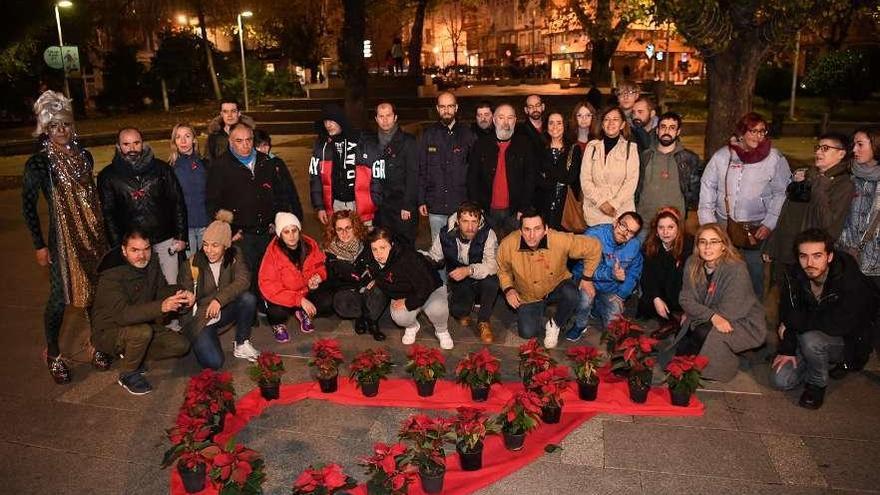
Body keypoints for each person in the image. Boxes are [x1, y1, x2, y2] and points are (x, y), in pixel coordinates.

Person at [22, 90, 110, 383]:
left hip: (93, 236)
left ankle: (96, 343)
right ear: (44, 129)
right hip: (62, 240)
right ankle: (54, 353)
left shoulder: (84, 156)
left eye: (66, 125)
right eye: (54, 126)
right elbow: (28, 207)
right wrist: (39, 245)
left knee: (94, 295)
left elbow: (91, 197)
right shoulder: (38, 163)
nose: (61, 131)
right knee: (60, 299)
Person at [771, 229, 875, 409]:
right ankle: (815, 361)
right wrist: (787, 349)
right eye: (804, 256)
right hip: (807, 337)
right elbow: (787, 313)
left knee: (811, 340)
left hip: (845, 342)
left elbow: (839, 324)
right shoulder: (794, 276)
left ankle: (816, 385)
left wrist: (793, 325)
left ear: (829, 256)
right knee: (781, 380)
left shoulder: (849, 278)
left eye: (817, 256)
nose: (809, 263)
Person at [698, 112, 791, 298]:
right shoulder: (723, 156)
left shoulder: (774, 158)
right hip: (724, 224)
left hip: (755, 227)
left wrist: (769, 223)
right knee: (721, 270)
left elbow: (781, 192)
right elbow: (708, 187)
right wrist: (709, 224)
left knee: (754, 273)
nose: (758, 136)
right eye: (753, 131)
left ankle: (754, 312)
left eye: (762, 131)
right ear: (741, 133)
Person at [90, 230, 192, 395]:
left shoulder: (151, 264)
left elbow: (160, 291)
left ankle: (135, 354)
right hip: (109, 331)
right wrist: (161, 307)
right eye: (135, 250)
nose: (142, 255)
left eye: (146, 249)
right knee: (142, 333)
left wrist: (181, 293)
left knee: (181, 345)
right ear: (124, 250)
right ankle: (128, 374)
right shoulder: (110, 275)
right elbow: (123, 315)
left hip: (141, 322)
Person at [207, 123, 297, 305]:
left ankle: (269, 305)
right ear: (230, 142)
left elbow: (280, 194)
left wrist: (277, 221)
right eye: (239, 141)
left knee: (269, 272)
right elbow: (213, 203)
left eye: (249, 140)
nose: (245, 145)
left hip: (267, 230)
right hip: (241, 234)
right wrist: (230, 230)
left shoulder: (267, 162)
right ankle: (250, 311)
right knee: (245, 276)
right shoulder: (220, 166)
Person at [497, 209, 602, 348]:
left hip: (556, 286)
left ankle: (555, 324)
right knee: (527, 333)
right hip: (528, 295)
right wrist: (508, 289)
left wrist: (587, 277)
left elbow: (593, 246)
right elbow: (502, 269)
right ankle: (536, 311)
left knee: (573, 295)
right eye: (527, 230)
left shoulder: (559, 239)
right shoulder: (508, 244)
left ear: (546, 229)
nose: (532, 235)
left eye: (537, 229)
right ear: (521, 231)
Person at [676, 224, 767, 382]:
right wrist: (710, 316)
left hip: (741, 319)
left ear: (724, 245)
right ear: (697, 245)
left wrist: (697, 315)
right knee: (681, 345)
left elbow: (732, 309)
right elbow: (685, 298)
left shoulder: (736, 268)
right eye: (702, 242)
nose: (707, 247)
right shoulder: (692, 262)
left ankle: (730, 361)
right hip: (713, 315)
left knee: (702, 332)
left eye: (714, 242)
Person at [98, 127, 188, 285]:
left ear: (143, 143)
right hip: (133, 244)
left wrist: (181, 236)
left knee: (171, 285)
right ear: (118, 146)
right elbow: (108, 214)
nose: (132, 148)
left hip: (165, 239)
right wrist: (118, 246)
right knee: (140, 288)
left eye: (136, 143)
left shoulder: (162, 169)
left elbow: (177, 203)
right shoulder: (108, 176)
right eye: (126, 144)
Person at [178, 210, 260, 369]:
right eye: (206, 244)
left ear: (226, 245)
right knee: (214, 363)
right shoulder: (190, 266)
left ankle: (242, 343)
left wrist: (218, 300)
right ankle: (205, 339)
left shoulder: (235, 254)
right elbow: (183, 310)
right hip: (202, 319)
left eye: (215, 245)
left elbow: (243, 280)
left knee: (248, 299)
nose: (209, 250)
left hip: (223, 309)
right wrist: (185, 302)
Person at [765, 133, 854, 267]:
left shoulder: (843, 185)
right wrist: (772, 244)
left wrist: (820, 188)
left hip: (810, 259)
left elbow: (828, 224)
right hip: (785, 252)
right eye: (818, 147)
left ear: (841, 154)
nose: (818, 152)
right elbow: (788, 214)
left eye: (825, 148)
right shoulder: (810, 176)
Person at [366, 227, 454, 349]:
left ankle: (441, 330)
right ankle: (412, 326)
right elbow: (384, 277)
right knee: (399, 316)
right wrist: (375, 280)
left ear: (391, 245)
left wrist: (409, 302)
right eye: (374, 249)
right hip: (406, 292)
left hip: (431, 288)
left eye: (383, 248)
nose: (378, 253)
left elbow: (425, 285)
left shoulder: (408, 258)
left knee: (438, 310)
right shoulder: (373, 263)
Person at [424, 201, 499, 344]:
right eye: (465, 221)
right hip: (459, 280)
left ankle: (483, 321)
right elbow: (434, 257)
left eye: (474, 222)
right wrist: (421, 260)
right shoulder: (445, 234)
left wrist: (469, 270)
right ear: (458, 221)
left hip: (480, 277)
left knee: (492, 281)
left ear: (480, 221)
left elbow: (492, 265)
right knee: (458, 312)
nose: (470, 227)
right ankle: (465, 304)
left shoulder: (488, 234)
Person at [566, 212, 644, 341]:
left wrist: (622, 294)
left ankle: (598, 308)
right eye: (623, 226)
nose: (625, 233)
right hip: (587, 280)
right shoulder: (593, 235)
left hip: (611, 288)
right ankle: (580, 325)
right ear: (615, 222)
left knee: (613, 329)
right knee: (585, 299)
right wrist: (611, 274)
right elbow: (583, 266)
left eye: (631, 232)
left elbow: (634, 272)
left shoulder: (634, 245)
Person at [838, 128, 880, 358]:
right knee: (852, 311)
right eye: (853, 144)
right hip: (849, 257)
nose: (854, 149)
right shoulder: (848, 176)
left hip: (876, 262)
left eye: (860, 144)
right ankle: (853, 358)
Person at [259, 212, 332, 342]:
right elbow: (268, 286)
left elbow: (320, 265)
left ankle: (303, 313)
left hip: (305, 291)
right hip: (284, 295)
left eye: (294, 230)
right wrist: (300, 300)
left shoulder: (310, 245)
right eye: (286, 232)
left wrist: (318, 277)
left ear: (299, 230)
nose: (291, 236)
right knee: (275, 312)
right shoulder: (272, 255)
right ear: (280, 234)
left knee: (327, 301)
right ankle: (278, 325)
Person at [467, 103, 536, 238]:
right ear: (494, 120)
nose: (506, 122)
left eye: (510, 118)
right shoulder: (481, 145)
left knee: (513, 250)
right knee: (488, 249)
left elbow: (530, 178)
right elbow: (472, 177)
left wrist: (524, 207)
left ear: (515, 121)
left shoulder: (525, 145)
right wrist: (476, 206)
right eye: (501, 117)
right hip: (487, 211)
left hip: (514, 211)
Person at [322, 210, 387, 341]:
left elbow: (384, 263)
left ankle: (372, 320)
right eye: (339, 229)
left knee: (380, 291)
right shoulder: (329, 251)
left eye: (348, 228)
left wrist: (376, 279)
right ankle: (360, 316)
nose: (344, 233)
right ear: (334, 230)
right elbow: (331, 280)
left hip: (370, 286)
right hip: (349, 289)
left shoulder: (367, 242)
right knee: (340, 301)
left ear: (355, 227)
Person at [418, 91, 476, 239]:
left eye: (450, 106)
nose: (446, 110)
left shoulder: (468, 135)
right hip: (435, 204)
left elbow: (474, 171)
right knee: (438, 250)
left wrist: (473, 202)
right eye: (442, 107)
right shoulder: (428, 135)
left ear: (456, 108)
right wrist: (421, 200)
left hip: (461, 206)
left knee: (462, 249)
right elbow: (422, 169)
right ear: (437, 109)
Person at [308, 104, 376, 225]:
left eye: (332, 121)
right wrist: (319, 206)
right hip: (335, 205)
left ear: (340, 121)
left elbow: (375, 174)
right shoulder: (321, 145)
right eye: (325, 121)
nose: (328, 125)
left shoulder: (360, 141)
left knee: (365, 241)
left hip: (360, 204)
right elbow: (315, 178)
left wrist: (374, 201)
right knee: (339, 242)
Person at [363, 102, 419, 246]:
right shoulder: (370, 142)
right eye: (381, 116)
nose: (385, 119)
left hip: (402, 207)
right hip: (380, 208)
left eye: (388, 115)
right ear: (376, 119)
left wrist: (408, 205)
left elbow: (413, 176)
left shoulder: (409, 142)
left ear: (395, 117)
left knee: (404, 249)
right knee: (382, 248)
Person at [636, 111, 703, 223]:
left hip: (675, 224)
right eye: (663, 127)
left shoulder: (689, 159)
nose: (667, 131)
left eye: (672, 128)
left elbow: (694, 192)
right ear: (657, 131)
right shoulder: (644, 157)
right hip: (644, 222)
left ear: (678, 132)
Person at [637, 207, 693, 339]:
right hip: (661, 291)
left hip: (683, 293)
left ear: (678, 228)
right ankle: (670, 319)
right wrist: (656, 298)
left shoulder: (689, 245)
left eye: (670, 227)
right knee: (646, 303)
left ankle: (677, 319)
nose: (665, 232)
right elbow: (647, 276)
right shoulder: (650, 245)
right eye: (661, 228)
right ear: (656, 231)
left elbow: (693, 282)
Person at [580, 106, 640, 227]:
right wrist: (601, 203)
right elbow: (585, 180)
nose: (611, 123)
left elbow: (631, 182)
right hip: (594, 213)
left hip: (621, 213)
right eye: (607, 119)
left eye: (615, 119)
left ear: (622, 124)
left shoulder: (630, 148)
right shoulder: (592, 147)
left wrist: (614, 204)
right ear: (602, 124)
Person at [536, 111, 583, 231]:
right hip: (543, 204)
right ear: (546, 126)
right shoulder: (540, 148)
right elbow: (537, 178)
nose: (555, 127)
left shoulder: (574, 149)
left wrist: (548, 174)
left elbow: (570, 177)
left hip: (565, 205)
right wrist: (554, 178)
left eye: (559, 123)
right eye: (551, 123)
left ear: (564, 126)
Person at [169, 123, 208, 255]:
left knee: (207, 265)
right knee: (191, 268)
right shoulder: (171, 168)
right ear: (174, 141)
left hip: (206, 224)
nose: (183, 141)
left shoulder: (205, 164)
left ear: (194, 140)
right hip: (185, 228)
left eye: (187, 136)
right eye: (178, 137)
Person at [254, 128, 304, 221]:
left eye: (265, 145)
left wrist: (297, 212)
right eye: (258, 146)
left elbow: (290, 187)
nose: (263, 149)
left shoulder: (277, 162)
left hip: (280, 210)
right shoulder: (250, 166)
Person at [206, 98, 255, 163]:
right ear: (221, 114)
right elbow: (208, 160)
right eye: (225, 111)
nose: (229, 115)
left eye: (233, 111)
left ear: (239, 113)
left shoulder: (251, 134)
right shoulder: (214, 136)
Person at [516, 94, 548, 158]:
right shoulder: (519, 131)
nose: (535, 109)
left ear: (543, 107)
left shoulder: (550, 128)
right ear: (526, 110)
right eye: (531, 107)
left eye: (537, 105)